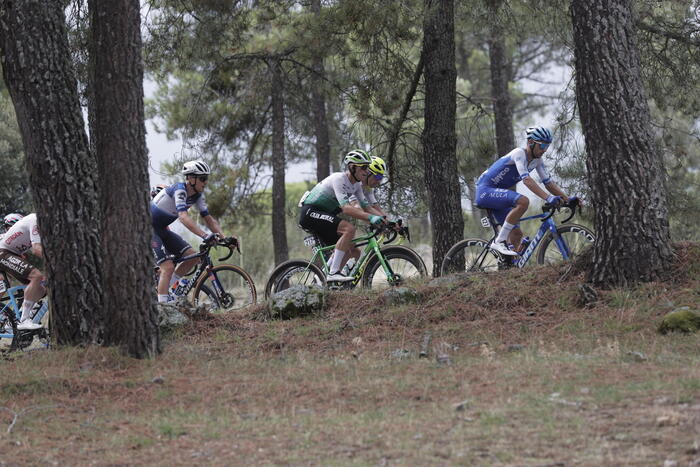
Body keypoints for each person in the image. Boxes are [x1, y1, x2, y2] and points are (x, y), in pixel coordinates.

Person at [475, 126, 573, 256]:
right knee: (523, 201)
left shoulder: (537, 161)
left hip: (496, 194)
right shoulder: (519, 153)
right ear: (531, 142)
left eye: (547, 146)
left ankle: (510, 269)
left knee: (516, 234)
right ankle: (499, 242)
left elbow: (549, 184)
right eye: (542, 146)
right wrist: (548, 198)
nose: (545, 150)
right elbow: (527, 181)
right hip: (485, 191)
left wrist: (568, 199)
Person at [151, 160, 233, 303]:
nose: (205, 182)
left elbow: (208, 219)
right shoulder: (179, 190)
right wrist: (205, 235)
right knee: (168, 267)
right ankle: (163, 309)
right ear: (191, 178)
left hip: (162, 229)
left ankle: (166, 290)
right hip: (148, 228)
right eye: (202, 178)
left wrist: (224, 238)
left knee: (194, 257)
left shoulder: (197, 196)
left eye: (206, 178)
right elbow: (183, 217)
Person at [299, 149, 386, 282]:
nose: (366, 171)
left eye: (368, 167)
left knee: (353, 251)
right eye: (363, 167)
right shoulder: (339, 178)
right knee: (349, 229)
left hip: (323, 215)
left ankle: (321, 280)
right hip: (310, 212)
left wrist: (386, 221)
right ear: (352, 167)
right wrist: (371, 218)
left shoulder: (356, 185)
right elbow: (346, 208)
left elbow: (367, 207)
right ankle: (333, 273)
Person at [0, 213, 45, 330]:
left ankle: (17, 317)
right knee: (36, 276)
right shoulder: (35, 220)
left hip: (10, 253)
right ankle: (23, 320)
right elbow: (36, 250)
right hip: (3, 253)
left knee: (41, 290)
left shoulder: (33, 224)